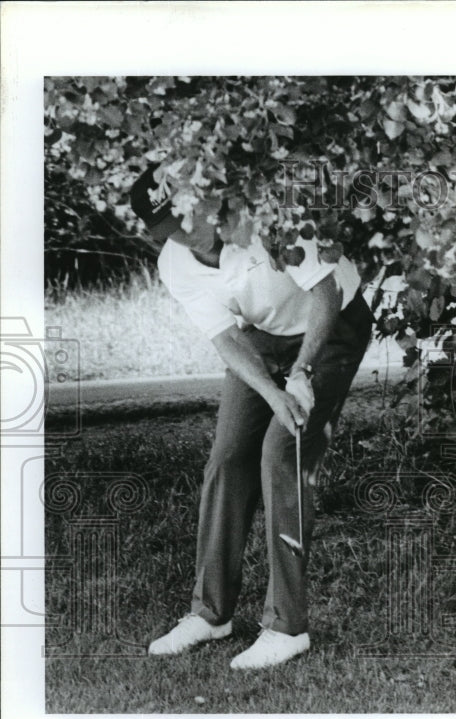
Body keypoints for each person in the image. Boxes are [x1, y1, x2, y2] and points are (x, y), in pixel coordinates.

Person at [130, 165, 373, 669]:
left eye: (188, 210)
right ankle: (211, 613)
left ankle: (287, 627)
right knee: (227, 459)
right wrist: (269, 389)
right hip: (263, 336)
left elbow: (325, 294)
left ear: (200, 198)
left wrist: (301, 375)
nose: (188, 225)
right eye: (172, 223)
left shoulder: (263, 221)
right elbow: (226, 339)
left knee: (280, 454)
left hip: (331, 329)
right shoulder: (175, 264)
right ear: (160, 230)